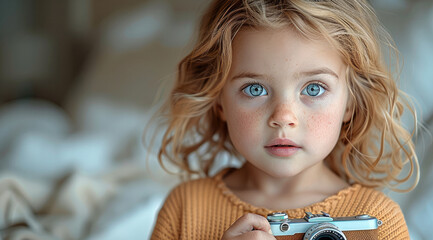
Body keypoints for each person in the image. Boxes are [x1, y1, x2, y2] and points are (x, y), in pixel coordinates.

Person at [149, 0, 420, 239]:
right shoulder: (185, 208)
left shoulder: (377, 218)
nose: (283, 118)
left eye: (314, 88)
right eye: (255, 89)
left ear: (350, 103)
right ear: (219, 101)